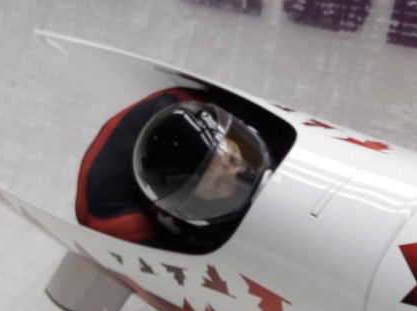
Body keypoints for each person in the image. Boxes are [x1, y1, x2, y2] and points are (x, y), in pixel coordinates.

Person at [76, 88, 272, 249]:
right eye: (219, 182)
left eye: (232, 159)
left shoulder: (193, 105)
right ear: (195, 203)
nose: (239, 175)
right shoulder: (113, 219)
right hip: (115, 210)